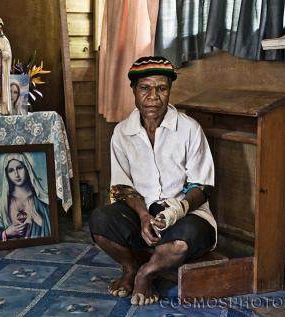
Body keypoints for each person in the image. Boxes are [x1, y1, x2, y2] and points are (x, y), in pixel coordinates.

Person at [89, 56, 217, 306]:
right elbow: (122, 187)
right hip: (143, 217)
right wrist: (144, 216)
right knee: (99, 221)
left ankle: (145, 273)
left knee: (182, 240)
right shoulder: (122, 133)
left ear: (169, 91)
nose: (153, 96)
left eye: (161, 88)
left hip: (186, 215)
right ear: (134, 91)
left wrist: (177, 210)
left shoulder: (189, 129)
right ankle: (129, 268)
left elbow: (202, 187)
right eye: (145, 88)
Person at [0, 153, 51, 241]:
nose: (16, 174)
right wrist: (6, 232)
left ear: (27, 168)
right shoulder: (2, 204)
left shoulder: (42, 200)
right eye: (11, 170)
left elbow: (53, 227)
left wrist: (42, 222)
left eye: (19, 168)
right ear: (7, 175)